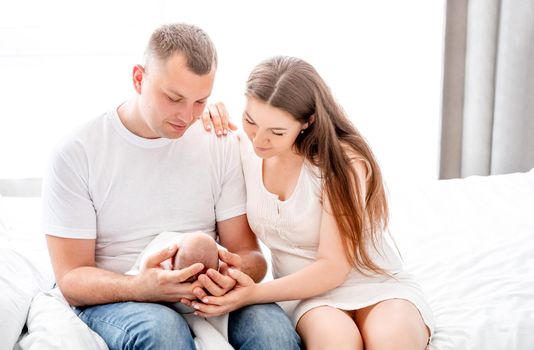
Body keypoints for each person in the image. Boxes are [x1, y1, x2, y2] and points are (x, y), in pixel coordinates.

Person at [42, 24, 300, 350]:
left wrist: (225, 275)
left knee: (272, 332)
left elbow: (250, 255)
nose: (187, 116)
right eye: (174, 98)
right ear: (139, 79)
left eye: (200, 101)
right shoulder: (78, 152)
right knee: (162, 331)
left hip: (205, 290)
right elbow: (71, 279)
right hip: (124, 291)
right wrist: (140, 287)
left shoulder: (217, 142)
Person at [189, 56, 435, 349]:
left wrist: (252, 293)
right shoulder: (240, 148)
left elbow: (333, 267)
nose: (259, 140)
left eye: (277, 132)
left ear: (308, 122)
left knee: (392, 342)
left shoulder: (343, 163)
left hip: (378, 285)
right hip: (309, 297)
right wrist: (207, 112)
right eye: (251, 121)